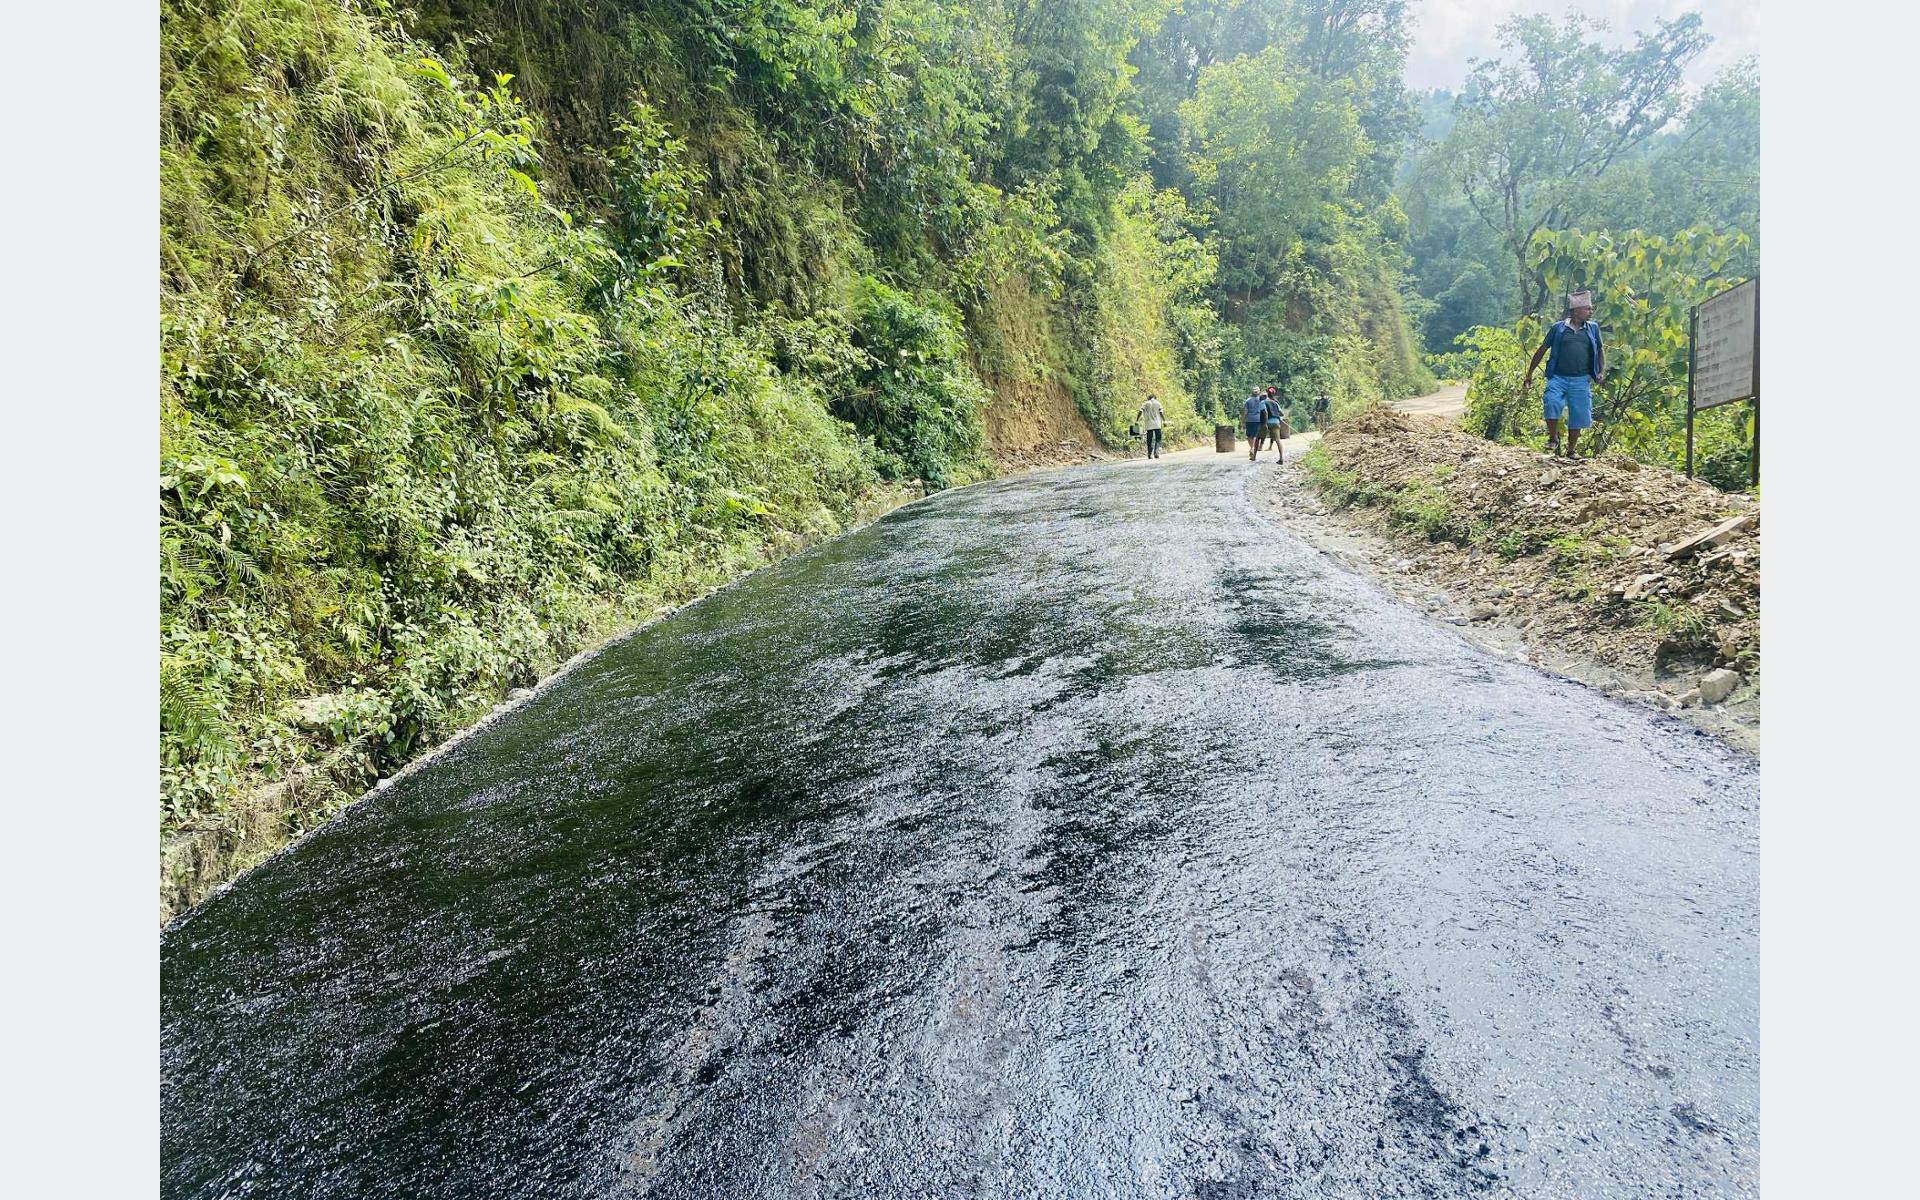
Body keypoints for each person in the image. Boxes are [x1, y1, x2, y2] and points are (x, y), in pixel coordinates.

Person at [1522, 289, 1606, 458]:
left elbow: (1600, 350)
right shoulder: (1558, 328)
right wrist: (1529, 373)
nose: (1591, 312)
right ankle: (1553, 437)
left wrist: (1601, 371)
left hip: (1581, 379)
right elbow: (1542, 350)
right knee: (1551, 402)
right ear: (1576, 311)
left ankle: (1571, 450)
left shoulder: (1593, 328)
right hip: (1558, 377)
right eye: (1588, 309)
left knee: (1578, 414)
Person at [1137, 393, 1165, 459]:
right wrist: (1164, 420)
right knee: (1158, 439)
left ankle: (1149, 454)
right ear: (1155, 398)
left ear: (1148, 398)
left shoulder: (1145, 403)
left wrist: (1137, 419)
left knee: (1149, 439)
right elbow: (1161, 412)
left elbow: (1140, 411)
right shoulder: (1158, 403)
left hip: (1148, 424)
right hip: (1157, 423)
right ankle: (1156, 452)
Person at [1243, 390, 1268, 461]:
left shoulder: (1247, 401)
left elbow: (1246, 412)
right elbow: (1265, 412)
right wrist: (1265, 422)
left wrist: (1243, 420)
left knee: (1249, 435)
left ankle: (1251, 447)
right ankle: (1253, 448)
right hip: (1257, 419)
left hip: (1249, 419)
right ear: (1259, 393)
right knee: (1255, 435)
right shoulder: (1261, 401)